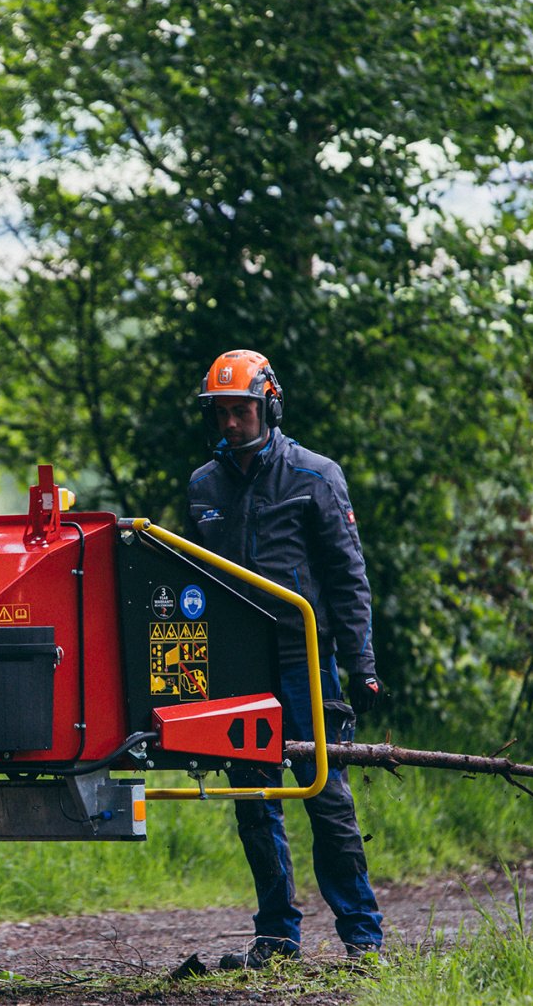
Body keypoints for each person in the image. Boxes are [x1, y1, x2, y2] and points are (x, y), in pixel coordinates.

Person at [186, 349, 384, 967]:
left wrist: (363, 661)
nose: (230, 423)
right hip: (235, 667)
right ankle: (276, 935)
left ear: (268, 405)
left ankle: (363, 936)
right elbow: (191, 583)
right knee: (252, 797)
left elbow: (348, 576)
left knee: (326, 796)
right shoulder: (203, 486)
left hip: (305, 660)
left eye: (241, 410)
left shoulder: (316, 478)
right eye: (220, 412)